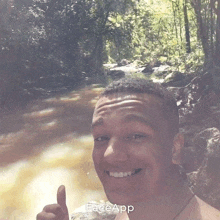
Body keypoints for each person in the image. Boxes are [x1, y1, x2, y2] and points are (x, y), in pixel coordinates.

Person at [36, 78, 220, 220]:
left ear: (175, 148)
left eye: (135, 136)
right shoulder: (132, 208)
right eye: (101, 137)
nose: (110, 154)